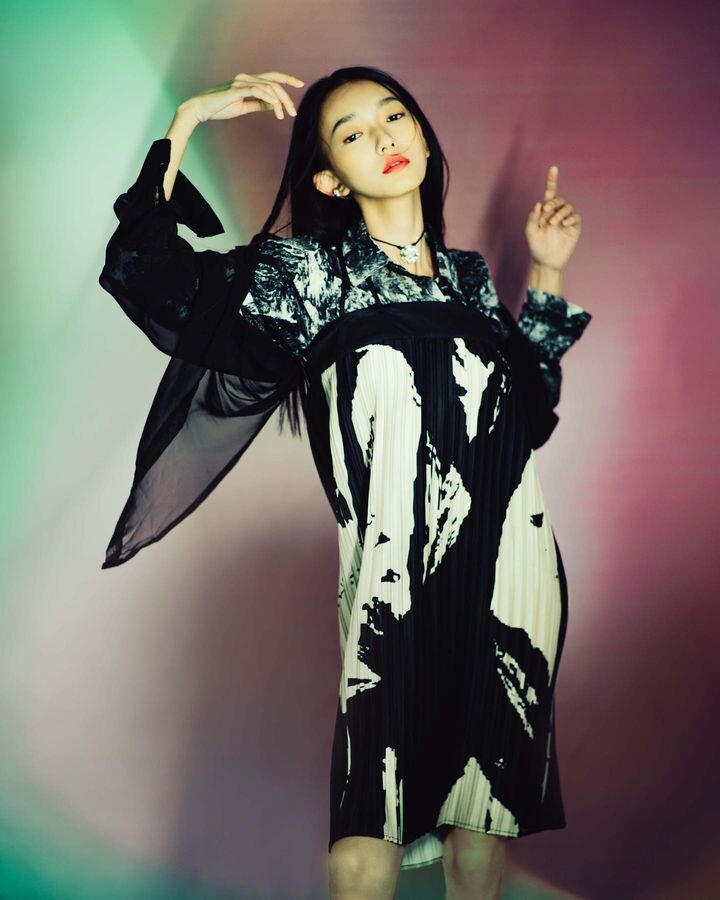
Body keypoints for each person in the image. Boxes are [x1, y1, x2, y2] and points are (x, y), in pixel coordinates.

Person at [98, 65, 592, 900]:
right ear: (330, 178)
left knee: (481, 840)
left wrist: (546, 272)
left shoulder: (470, 280)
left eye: (394, 117)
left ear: (423, 138)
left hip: (512, 577)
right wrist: (186, 122)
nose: (385, 137)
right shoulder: (310, 276)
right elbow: (149, 274)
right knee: (368, 840)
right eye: (354, 133)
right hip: (393, 588)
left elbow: (527, 416)